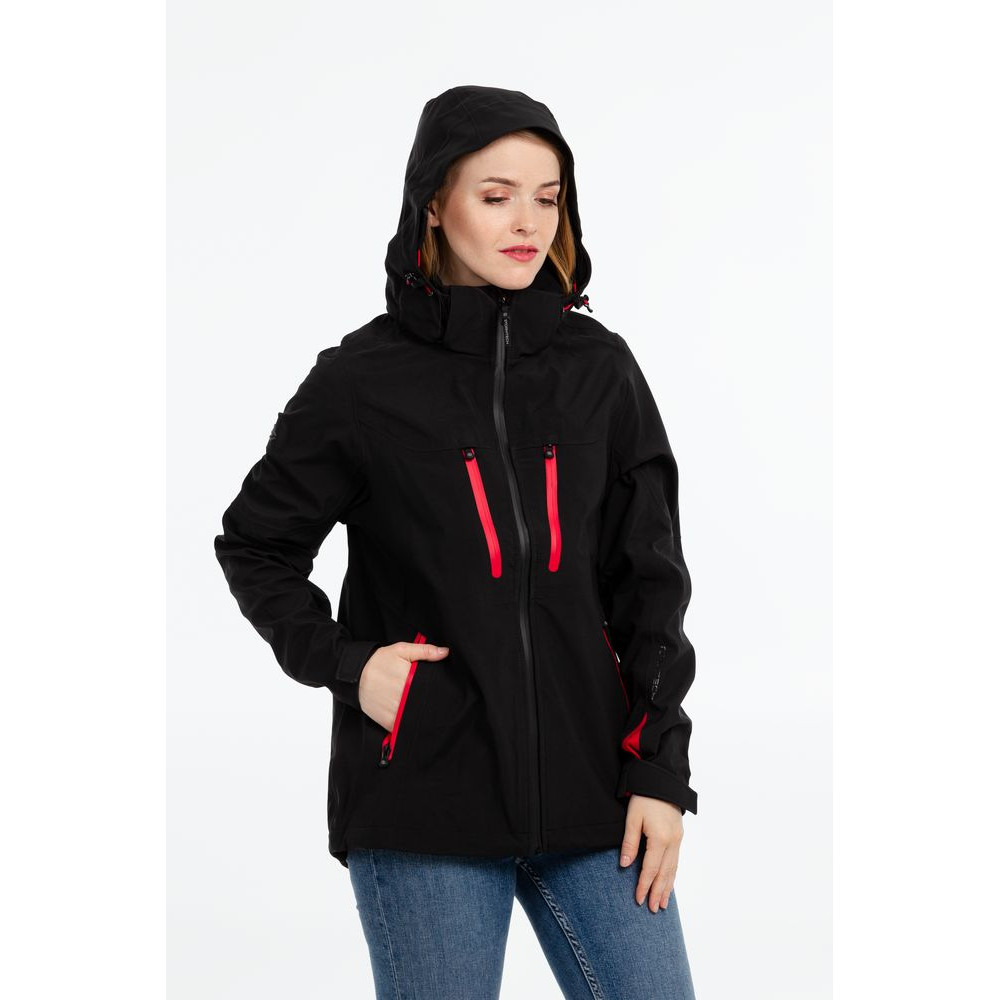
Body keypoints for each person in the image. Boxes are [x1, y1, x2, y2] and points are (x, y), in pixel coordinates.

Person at [215, 84, 699, 998]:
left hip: (598, 792)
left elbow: (650, 586)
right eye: (496, 194)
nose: (527, 222)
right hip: (423, 798)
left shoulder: (600, 370)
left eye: (546, 197)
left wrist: (661, 773)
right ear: (434, 203)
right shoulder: (361, 381)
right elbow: (255, 545)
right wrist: (349, 665)